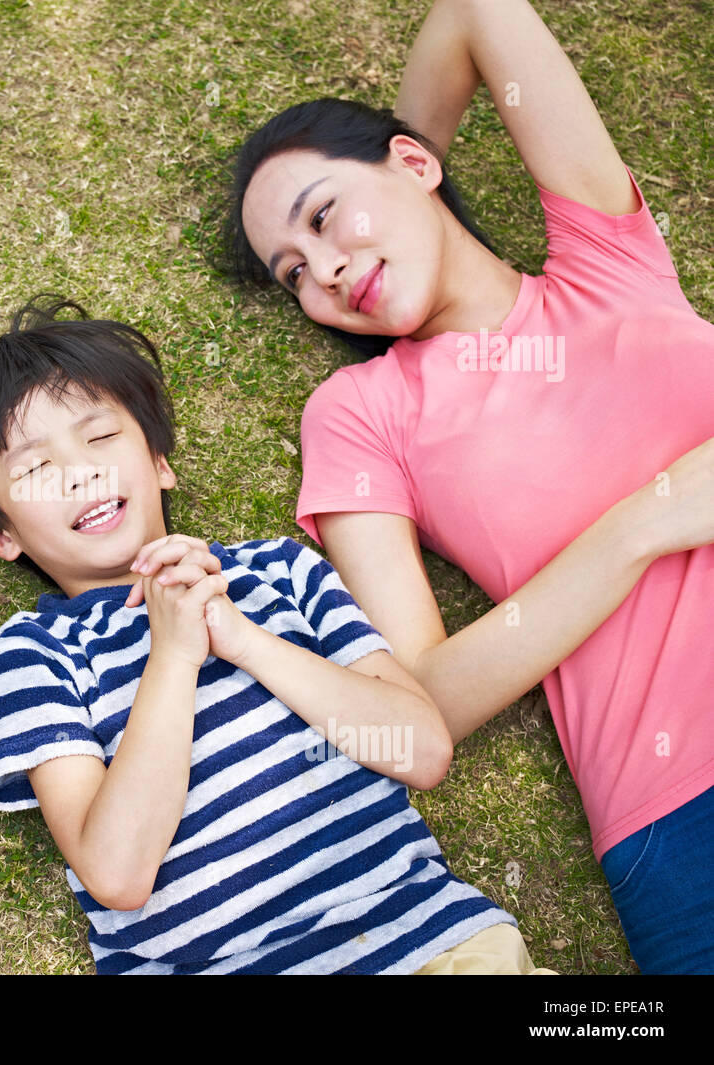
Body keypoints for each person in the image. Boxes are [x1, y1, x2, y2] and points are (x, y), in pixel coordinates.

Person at [227, 0, 714, 972]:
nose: (324, 269)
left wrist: (414, 167)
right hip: (681, 807)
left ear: (411, 164)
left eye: (324, 217)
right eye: (295, 274)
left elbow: (476, 12)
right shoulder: (362, 413)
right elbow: (423, 704)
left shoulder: (607, 263)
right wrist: (642, 525)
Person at [0, 298, 553, 974]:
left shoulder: (280, 570)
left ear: (159, 461)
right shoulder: (36, 652)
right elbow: (118, 871)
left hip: (433, 945)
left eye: (100, 437)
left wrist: (244, 639)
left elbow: (422, 750)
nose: (83, 471)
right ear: (3, 534)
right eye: (37, 469)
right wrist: (173, 655)